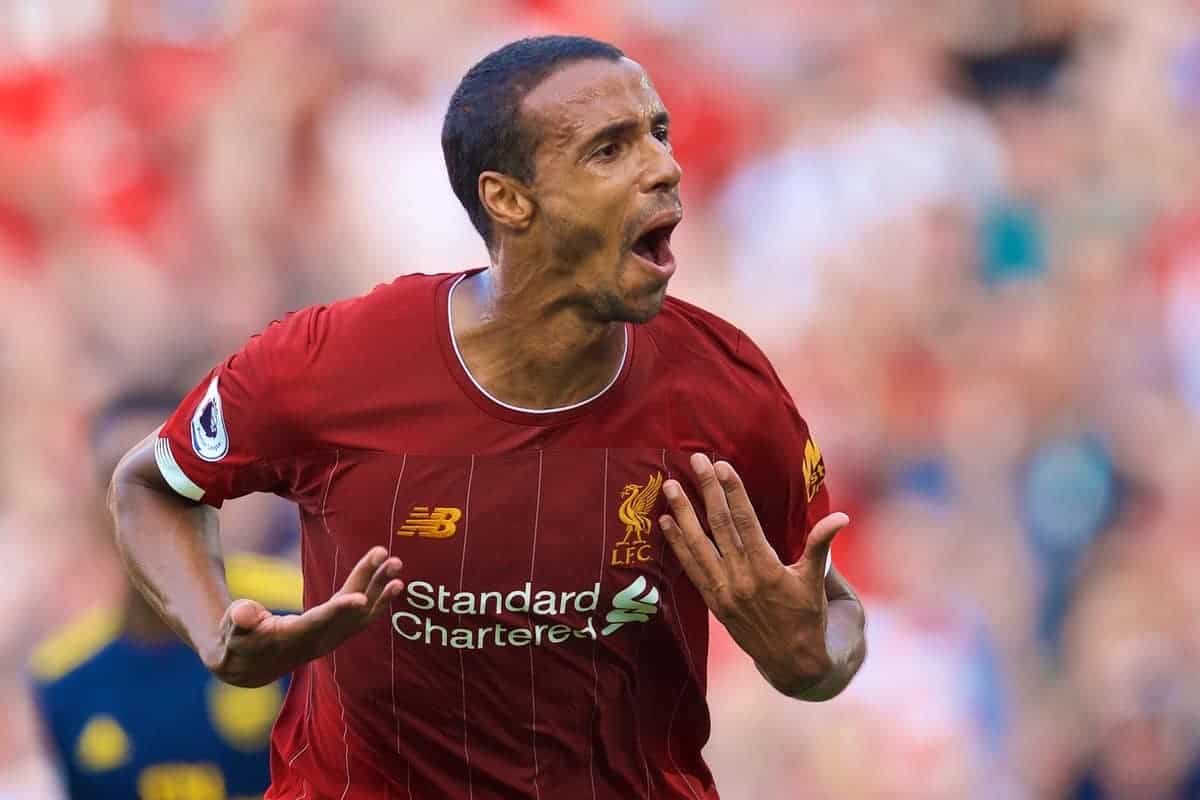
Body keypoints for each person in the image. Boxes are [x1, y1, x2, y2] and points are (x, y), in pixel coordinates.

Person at [109, 35, 867, 799]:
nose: (665, 168)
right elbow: (150, 483)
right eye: (610, 150)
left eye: (658, 134)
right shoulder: (329, 365)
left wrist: (809, 659)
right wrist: (214, 635)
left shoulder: (723, 389)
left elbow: (828, 625)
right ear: (508, 197)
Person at [31, 391, 303, 800]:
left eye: (165, 479)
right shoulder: (64, 680)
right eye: (120, 481)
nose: (144, 502)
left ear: (211, 487)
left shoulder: (300, 617)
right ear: (93, 502)